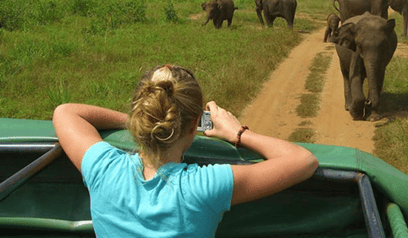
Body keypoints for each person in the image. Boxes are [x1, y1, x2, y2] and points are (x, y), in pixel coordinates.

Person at [53, 64, 318, 238]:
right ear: (194, 126)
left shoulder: (103, 169)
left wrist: (144, 118)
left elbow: (66, 112)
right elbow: (303, 160)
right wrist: (238, 133)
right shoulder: (204, 186)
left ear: (140, 116)